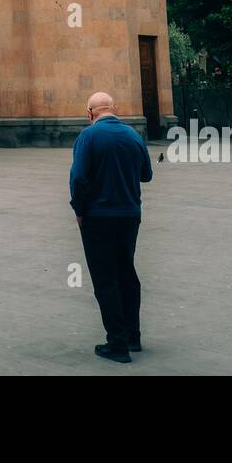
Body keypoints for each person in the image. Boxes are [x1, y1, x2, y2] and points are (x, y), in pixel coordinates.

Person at [69, 91, 153, 363]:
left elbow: (79, 177)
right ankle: (133, 336)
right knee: (127, 273)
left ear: (89, 113)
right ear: (114, 109)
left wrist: (79, 211)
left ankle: (116, 343)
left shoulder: (88, 136)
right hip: (130, 215)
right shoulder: (133, 136)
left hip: (98, 217)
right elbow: (146, 175)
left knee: (106, 279)